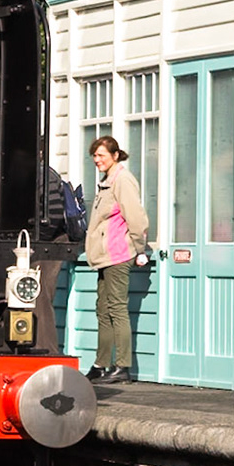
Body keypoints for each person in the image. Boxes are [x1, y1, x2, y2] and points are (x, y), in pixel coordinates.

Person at [84, 136, 149, 383]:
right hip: (103, 257)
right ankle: (101, 364)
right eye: (94, 155)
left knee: (117, 308)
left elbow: (136, 217)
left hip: (118, 254)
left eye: (101, 155)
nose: (96, 160)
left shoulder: (123, 180)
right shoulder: (107, 182)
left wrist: (139, 248)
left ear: (115, 155)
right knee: (103, 310)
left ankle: (122, 367)